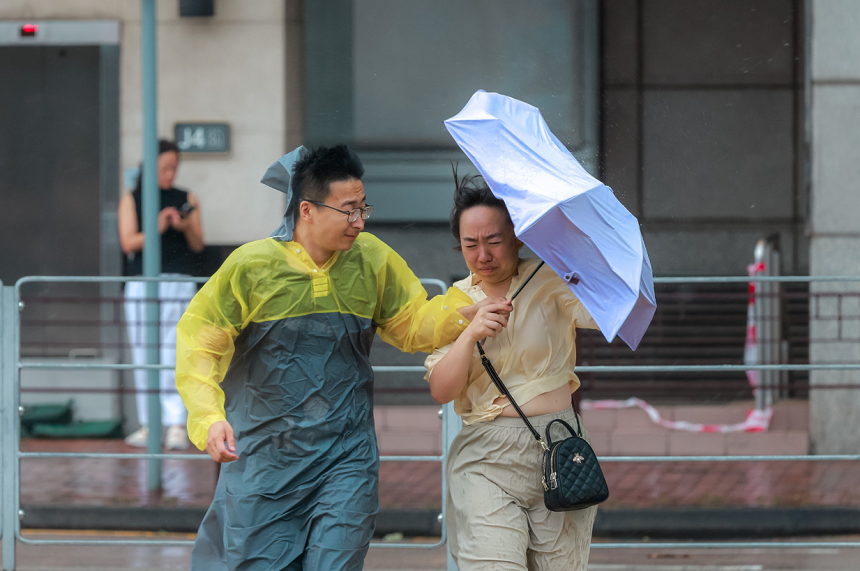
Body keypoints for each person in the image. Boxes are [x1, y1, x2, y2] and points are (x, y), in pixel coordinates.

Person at [175, 145, 507, 570]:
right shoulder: (251, 267)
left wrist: (464, 310)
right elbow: (199, 343)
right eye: (349, 210)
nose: (360, 221)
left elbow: (412, 323)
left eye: (363, 208)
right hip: (264, 464)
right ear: (308, 210)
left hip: (345, 461)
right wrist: (208, 418)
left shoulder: (371, 259)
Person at [424, 172, 600, 571]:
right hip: (486, 455)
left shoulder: (550, 279)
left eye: (494, 241)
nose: (482, 255)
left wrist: (581, 259)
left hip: (559, 444)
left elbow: (608, 317)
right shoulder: (454, 303)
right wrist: (469, 334)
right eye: (471, 244)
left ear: (519, 236)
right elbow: (441, 389)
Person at [118, 139, 204, 450]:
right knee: (144, 352)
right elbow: (128, 242)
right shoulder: (133, 198)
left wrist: (182, 225)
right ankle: (149, 422)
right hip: (143, 279)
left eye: (173, 168)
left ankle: (175, 424)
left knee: (175, 350)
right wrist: (157, 225)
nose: (170, 174)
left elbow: (198, 243)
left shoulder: (186, 197)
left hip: (178, 278)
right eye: (164, 168)